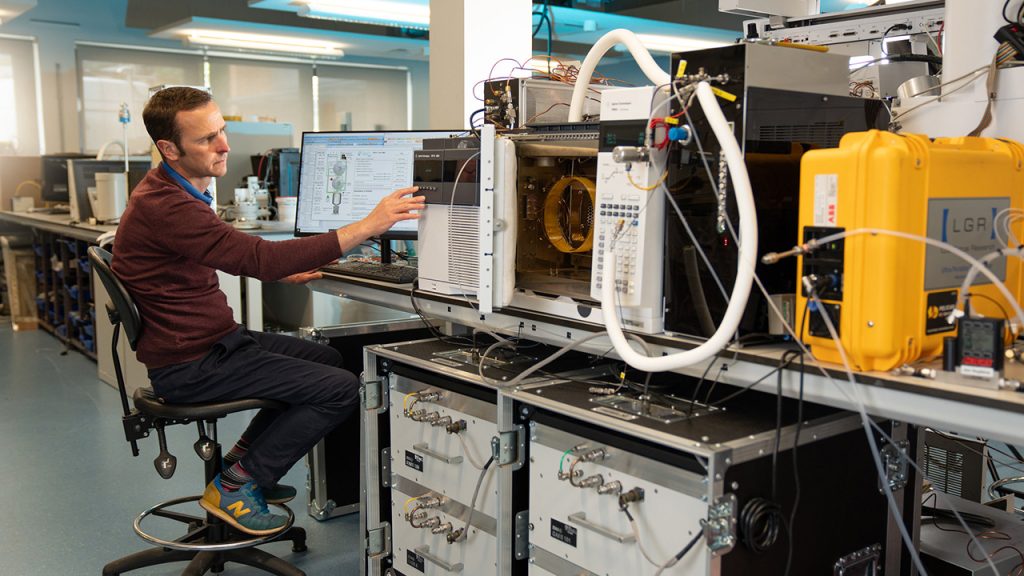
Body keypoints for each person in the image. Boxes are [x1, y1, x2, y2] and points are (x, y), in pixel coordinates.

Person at [111, 87, 424, 535]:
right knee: (338, 388)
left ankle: (241, 460)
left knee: (326, 357)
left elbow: (232, 257)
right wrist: (368, 226)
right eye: (207, 140)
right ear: (169, 149)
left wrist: (279, 270)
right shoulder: (166, 206)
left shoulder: (174, 189)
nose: (224, 146)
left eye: (222, 131)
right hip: (192, 363)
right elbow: (258, 258)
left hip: (209, 343)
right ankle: (239, 484)